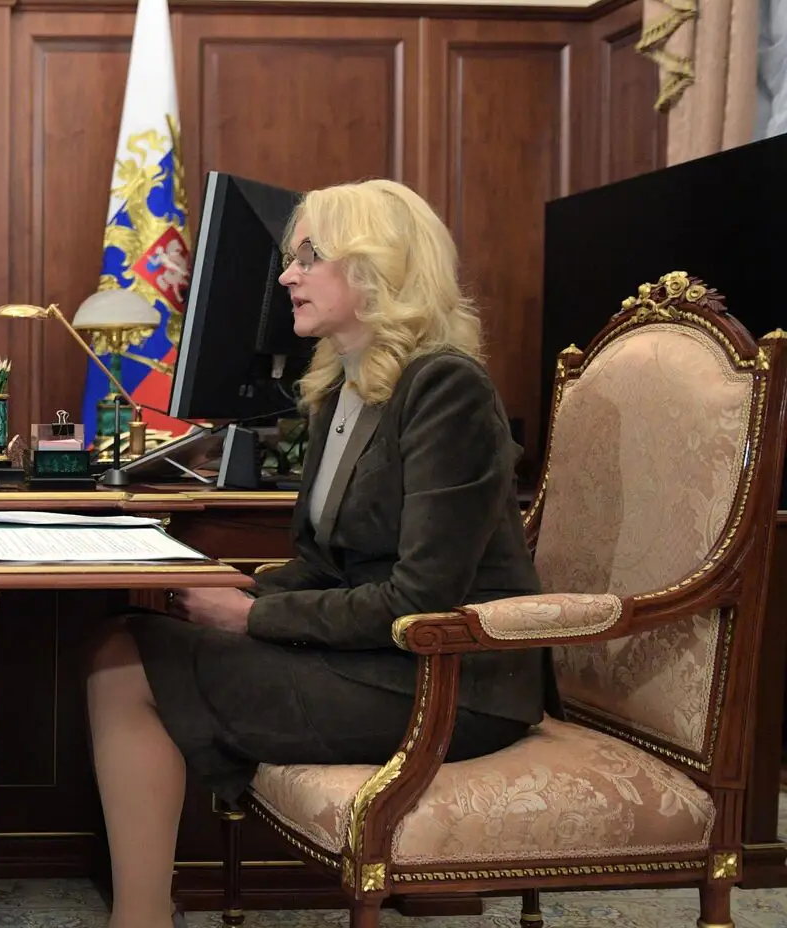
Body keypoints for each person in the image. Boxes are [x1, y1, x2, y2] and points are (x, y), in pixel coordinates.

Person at [83, 179, 548, 928]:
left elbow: (421, 599)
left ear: (375, 268)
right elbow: (329, 565)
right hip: (379, 659)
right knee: (120, 643)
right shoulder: (343, 389)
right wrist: (234, 588)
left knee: (123, 665)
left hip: (451, 682)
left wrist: (251, 618)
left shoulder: (446, 389)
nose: (286, 277)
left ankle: (139, 921)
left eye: (308, 257)